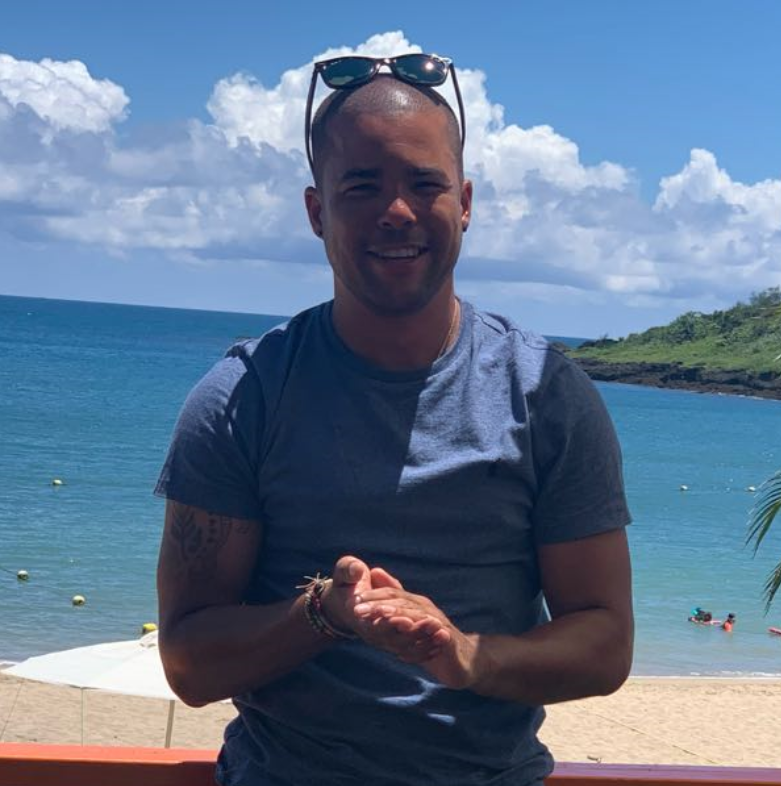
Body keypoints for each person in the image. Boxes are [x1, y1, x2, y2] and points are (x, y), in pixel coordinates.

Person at [155, 52, 634, 786]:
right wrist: (323, 615)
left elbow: (603, 643)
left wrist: (466, 654)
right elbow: (188, 665)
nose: (397, 211)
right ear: (317, 211)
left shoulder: (545, 394)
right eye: (361, 186)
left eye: (424, 184)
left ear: (465, 202)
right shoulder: (242, 397)